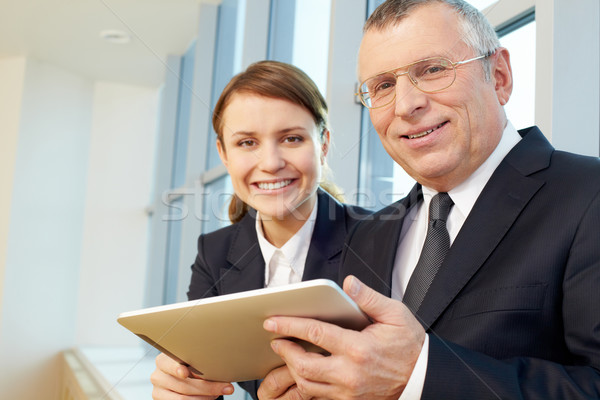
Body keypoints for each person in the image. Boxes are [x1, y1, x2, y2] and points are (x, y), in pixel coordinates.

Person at [259, 1, 600, 399]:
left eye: (433, 70)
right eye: (384, 86)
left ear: (500, 76)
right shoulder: (367, 235)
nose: (406, 105)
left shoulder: (586, 195)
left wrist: (420, 376)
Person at [149, 60, 370, 400]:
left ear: (323, 144)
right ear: (224, 154)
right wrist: (183, 389)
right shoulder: (214, 252)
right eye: (247, 143)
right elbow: (207, 376)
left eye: (292, 138)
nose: (270, 163)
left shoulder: (378, 238)